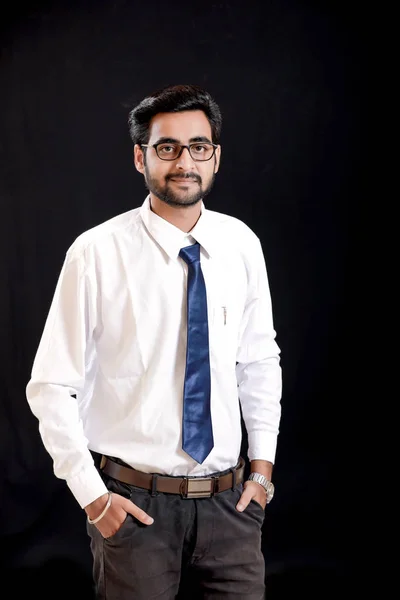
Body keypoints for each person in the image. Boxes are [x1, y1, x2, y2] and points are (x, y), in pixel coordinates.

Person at [26, 83, 282, 599]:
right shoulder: (96, 253)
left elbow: (258, 361)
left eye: (198, 146)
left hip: (231, 506)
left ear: (215, 158)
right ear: (140, 157)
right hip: (134, 506)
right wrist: (94, 499)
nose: (184, 161)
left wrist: (262, 474)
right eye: (167, 148)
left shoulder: (241, 244)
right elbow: (50, 386)